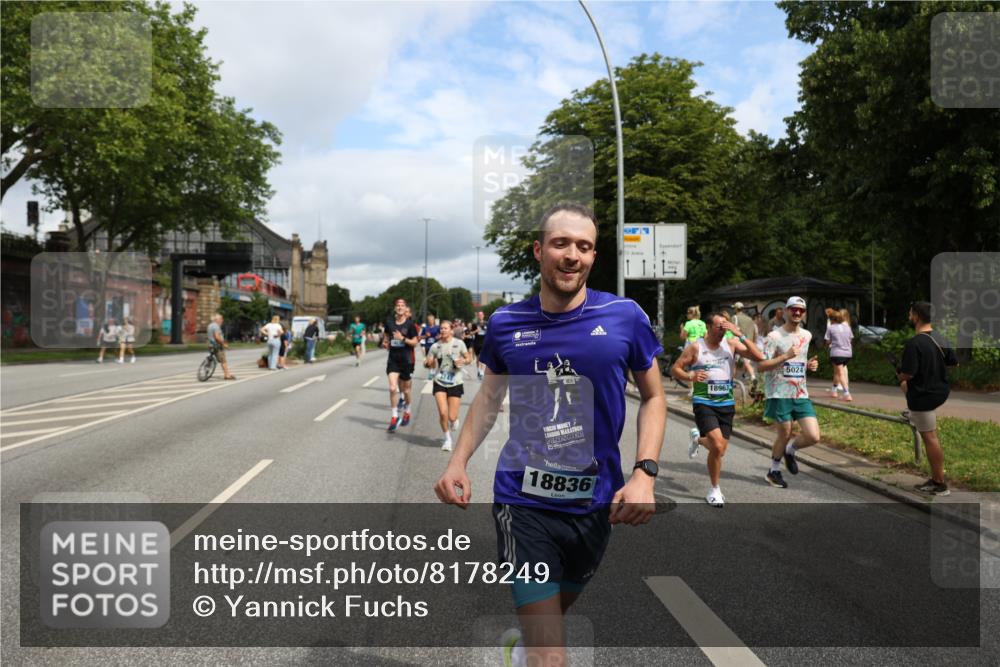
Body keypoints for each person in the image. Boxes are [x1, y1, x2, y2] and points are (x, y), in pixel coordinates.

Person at [434, 202, 666, 666]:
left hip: (594, 502)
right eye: (561, 243)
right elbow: (488, 399)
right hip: (523, 502)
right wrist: (456, 461)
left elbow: (655, 398)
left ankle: (519, 652)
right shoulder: (505, 323)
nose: (572, 255)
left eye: (584, 246)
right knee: (552, 656)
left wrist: (644, 473)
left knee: (551, 620)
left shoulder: (625, 316)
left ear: (593, 257)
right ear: (540, 250)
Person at [672, 312, 767, 506]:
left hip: (726, 404)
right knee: (716, 445)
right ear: (708, 327)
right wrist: (690, 376)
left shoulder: (731, 344)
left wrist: (739, 334)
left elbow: (759, 357)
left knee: (720, 450)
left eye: (726, 326)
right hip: (704, 402)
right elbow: (676, 368)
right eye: (719, 326)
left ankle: (698, 438)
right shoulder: (696, 347)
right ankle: (714, 489)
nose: (723, 330)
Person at [898, 301, 958, 496]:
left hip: (924, 397)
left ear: (916, 316)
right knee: (906, 388)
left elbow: (907, 374)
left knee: (930, 438)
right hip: (940, 391)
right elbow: (953, 364)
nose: (909, 316)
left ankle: (939, 483)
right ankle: (913, 415)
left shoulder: (915, 343)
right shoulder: (941, 338)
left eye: (910, 312)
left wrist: (900, 375)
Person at [759, 296, 820, 489]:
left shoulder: (807, 335)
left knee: (813, 436)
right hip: (779, 393)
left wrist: (808, 365)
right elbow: (761, 365)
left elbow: (799, 360)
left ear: (804, 314)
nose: (797, 313)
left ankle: (790, 451)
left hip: (800, 392)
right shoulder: (774, 337)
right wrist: (785, 356)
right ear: (785, 311)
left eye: (801, 310)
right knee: (785, 432)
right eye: (793, 309)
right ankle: (773, 472)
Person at [424, 320, 471, 451]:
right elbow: (428, 363)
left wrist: (463, 361)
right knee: (443, 414)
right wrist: (427, 363)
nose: (442, 330)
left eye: (445, 328)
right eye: (441, 329)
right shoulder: (435, 346)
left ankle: (454, 420)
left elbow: (469, 358)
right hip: (439, 381)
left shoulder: (459, 343)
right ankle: (447, 439)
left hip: (455, 382)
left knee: (451, 416)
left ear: (451, 330)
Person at [383, 298, 419, 431]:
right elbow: (386, 335)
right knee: (393, 388)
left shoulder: (410, 325)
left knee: (406, 390)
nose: (399, 307)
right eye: (397, 305)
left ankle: (407, 410)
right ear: (395, 308)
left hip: (407, 360)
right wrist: (386, 342)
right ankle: (394, 416)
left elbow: (415, 342)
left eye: (402, 305)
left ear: (405, 309)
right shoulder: (390, 323)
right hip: (393, 359)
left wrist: (402, 338)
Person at [824, 308, 854, 401]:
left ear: (833, 319)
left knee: (840, 373)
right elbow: (851, 339)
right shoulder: (847, 327)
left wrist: (829, 344)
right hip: (848, 353)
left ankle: (846, 394)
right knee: (837, 371)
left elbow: (828, 341)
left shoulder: (831, 328)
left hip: (837, 353)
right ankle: (833, 390)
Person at [730, 303, 758, 386]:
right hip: (748, 343)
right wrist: (753, 343)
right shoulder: (750, 319)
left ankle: (732, 381)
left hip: (738, 343)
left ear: (736, 309)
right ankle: (753, 377)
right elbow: (754, 332)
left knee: (733, 363)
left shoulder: (734, 318)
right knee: (747, 362)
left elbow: (733, 330)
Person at [207, 312, 236, 380]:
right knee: (223, 361)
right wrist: (223, 344)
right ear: (217, 319)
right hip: (217, 346)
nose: (222, 320)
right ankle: (227, 375)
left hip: (210, 345)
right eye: (221, 319)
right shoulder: (216, 326)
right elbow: (217, 337)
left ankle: (206, 369)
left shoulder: (210, 325)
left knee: (211, 358)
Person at [473, 310, 489, 380]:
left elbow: (489, 332)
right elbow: (470, 333)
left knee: (482, 357)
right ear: (477, 316)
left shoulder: (487, 323)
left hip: (484, 342)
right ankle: (478, 370)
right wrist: (476, 331)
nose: (480, 316)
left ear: (483, 315)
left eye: (481, 315)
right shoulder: (475, 324)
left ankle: (482, 371)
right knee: (478, 358)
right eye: (479, 315)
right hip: (477, 342)